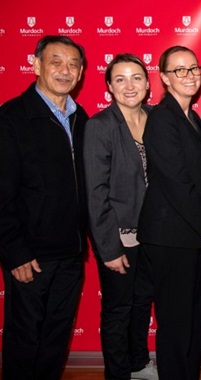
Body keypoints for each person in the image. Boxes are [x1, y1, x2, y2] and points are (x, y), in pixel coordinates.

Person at [0, 35, 89, 380]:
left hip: (70, 252)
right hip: (30, 256)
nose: (65, 71)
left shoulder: (81, 119)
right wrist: (15, 251)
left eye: (73, 64)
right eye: (56, 62)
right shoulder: (11, 119)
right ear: (36, 65)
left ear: (81, 74)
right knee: (25, 339)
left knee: (55, 338)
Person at [137, 46, 201, 380]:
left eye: (193, 69)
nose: (189, 75)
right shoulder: (162, 118)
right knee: (175, 324)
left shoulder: (191, 117)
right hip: (169, 236)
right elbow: (176, 180)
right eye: (179, 70)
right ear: (164, 78)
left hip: (188, 234)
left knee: (190, 319)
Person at [83, 53, 158, 380]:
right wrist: (109, 248)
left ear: (148, 83)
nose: (130, 86)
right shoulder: (100, 126)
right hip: (119, 237)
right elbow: (95, 192)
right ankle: (117, 373)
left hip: (155, 236)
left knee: (143, 303)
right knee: (118, 310)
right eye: (120, 79)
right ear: (110, 87)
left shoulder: (157, 119)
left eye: (137, 77)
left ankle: (138, 363)